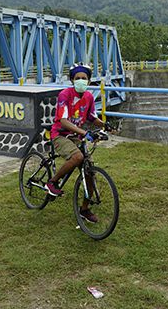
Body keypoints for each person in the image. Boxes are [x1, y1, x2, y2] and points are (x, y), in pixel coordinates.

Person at [46, 63, 111, 223]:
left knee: (89, 171)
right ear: (72, 80)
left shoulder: (88, 96)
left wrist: (104, 125)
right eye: (78, 78)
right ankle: (52, 182)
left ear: (89, 81)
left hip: (76, 135)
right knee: (77, 157)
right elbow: (63, 121)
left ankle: (84, 209)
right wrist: (85, 133)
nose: (81, 81)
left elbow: (90, 117)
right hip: (60, 134)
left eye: (84, 78)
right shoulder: (65, 95)